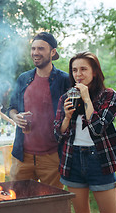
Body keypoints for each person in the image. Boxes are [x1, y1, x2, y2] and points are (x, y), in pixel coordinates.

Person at [54, 52, 116, 213]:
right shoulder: (66, 97)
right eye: (74, 70)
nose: (78, 75)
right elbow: (58, 134)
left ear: (94, 72)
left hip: (100, 159)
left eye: (83, 69)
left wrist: (86, 97)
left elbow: (98, 128)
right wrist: (66, 117)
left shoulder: (108, 96)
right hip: (73, 159)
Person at [8, 32, 70, 189]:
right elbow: (12, 108)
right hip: (22, 156)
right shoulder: (24, 78)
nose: (35, 53)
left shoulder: (64, 80)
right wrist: (16, 117)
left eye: (41, 49)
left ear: (53, 52)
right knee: (18, 203)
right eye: (33, 48)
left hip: (52, 156)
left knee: (51, 205)